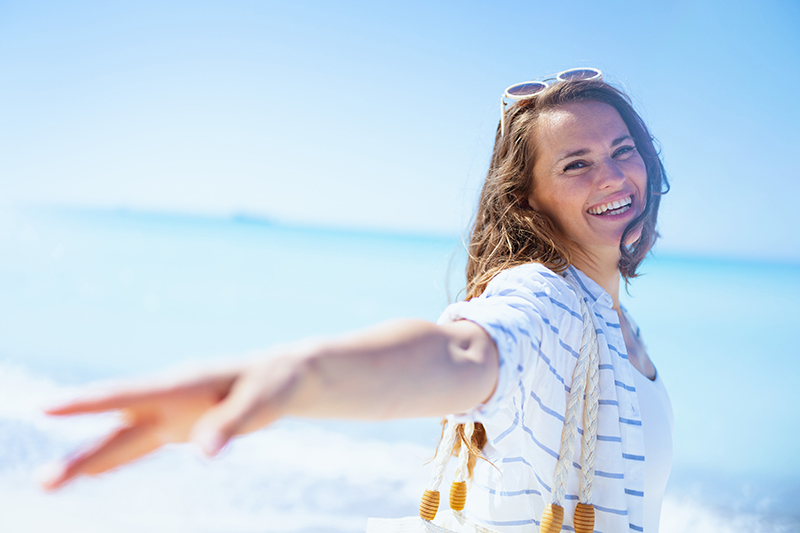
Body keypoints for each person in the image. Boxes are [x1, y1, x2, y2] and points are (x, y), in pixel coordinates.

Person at [41, 69, 672, 532]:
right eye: (576, 165)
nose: (614, 177)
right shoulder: (548, 302)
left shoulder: (614, 323)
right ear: (528, 198)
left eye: (622, 151)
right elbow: (463, 351)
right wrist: (299, 376)